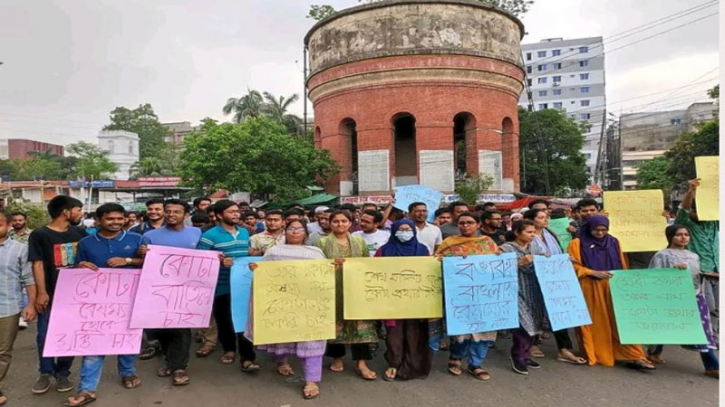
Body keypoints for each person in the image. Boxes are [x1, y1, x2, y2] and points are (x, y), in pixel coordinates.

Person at [65, 203, 144, 407]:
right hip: (96, 304)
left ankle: (128, 373)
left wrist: (128, 260)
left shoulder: (138, 239)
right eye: (110, 219)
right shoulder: (85, 242)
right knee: (93, 344)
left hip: (130, 299)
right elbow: (77, 269)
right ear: (99, 220)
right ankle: (87, 388)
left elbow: (149, 264)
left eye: (120, 218)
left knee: (126, 339)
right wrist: (80, 265)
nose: (116, 222)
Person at [247, 220, 328, 399]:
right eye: (291, 228)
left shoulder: (316, 252)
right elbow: (264, 275)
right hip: (282, 303)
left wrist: (333, 269)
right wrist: (256, 269)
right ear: (285, 231)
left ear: (306, 233)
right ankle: (282, 361)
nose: (295, 232)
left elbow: (324, 277)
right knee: (282, 332)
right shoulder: (274, 251)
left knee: (312, 339)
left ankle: (311, 380)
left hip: (310, 305)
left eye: (299, 229)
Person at [568, 215, 655, 369]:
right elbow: (570, 266)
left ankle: (635, 356)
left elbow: (622, 263)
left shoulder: (614, 241)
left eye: (604, 230)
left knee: (622, 321)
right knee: (597, 323)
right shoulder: (577, 243)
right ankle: (599, 353)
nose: (600, 233)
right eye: (596, 230)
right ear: (589, 228)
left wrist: (626, 283)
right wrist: (591, 272)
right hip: (590, 287)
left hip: (615, 286)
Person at [139, 199, 202, 386]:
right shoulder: (150, 236)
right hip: (159, 290)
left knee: (182, 328)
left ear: (185, 215)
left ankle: (179, 366)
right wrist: (141, 255)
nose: (171, 215)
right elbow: (142, 263)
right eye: (168, 211)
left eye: (176, 212)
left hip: (187, 289)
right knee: (163, 328)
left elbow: (205, 257)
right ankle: (169, 359)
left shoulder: (196, 233)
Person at [28, 196, 87, 394]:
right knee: (44, 335)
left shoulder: (80, 232)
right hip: (51, 295)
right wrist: (41, 292)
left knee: (69, 335)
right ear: (66, 211)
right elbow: (37, 263)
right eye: (78, 209)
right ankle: (45, 372)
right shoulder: (40, 234)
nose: (81, 213)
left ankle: (63, 373)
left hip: (75, 297)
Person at [647, 224, 718, 378]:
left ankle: (712, 366)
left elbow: (695, 276)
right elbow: (653, 276)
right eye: (679, 234)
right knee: (664, 326)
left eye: (686, 234)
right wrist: (671, 270)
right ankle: (653, 352)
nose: (683, 237)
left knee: (702, 331)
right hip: (670, 298)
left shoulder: (694, 256)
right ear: (670, 237)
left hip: (694, 296)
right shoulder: (662, 255)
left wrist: (708, 275)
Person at [435, 212, 498, 381]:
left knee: (483, 328)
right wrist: (450, 258)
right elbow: (436, 260)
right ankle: (455, 357)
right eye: (462, 223)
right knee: (461, 327)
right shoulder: (449, 243)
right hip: (459, 293)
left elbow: (498, 264)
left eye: (470, 222)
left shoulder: (488, 243)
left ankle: (475, 364)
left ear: (478, 225)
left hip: (484, 294)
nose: (465, 226)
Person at [196, 200, 258, 372]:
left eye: (237, 211)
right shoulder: (209, 235)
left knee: (245, 320)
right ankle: (229, 349)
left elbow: (246, 253)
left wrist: (253, 256)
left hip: (243, 284)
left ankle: (248, 357)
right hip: (220, 285)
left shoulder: (245, 232)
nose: (236, 214)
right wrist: (219, 261)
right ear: (219, 215)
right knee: (224, 321)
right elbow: (200, 260)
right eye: (231, 212)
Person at [316, 210, 378, 380]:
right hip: (332, 289)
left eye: (344, 221)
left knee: (361, 323)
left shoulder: (359, 242)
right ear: (330, 223)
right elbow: (315, 266)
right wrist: (329, 265)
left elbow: (366, 264)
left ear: (350, 223)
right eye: (336, 221)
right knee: (335, 323)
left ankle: (362, 363)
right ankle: (337, 357)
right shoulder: (322, 243)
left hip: (356, 288)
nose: (340, 224)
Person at [524, 209, 586, 365]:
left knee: (559, 312)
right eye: (541, 217)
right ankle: (531, 345)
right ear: (531, 220)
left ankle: (564, 349)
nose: (546, 220)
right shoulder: (526, 237)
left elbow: (556, 253)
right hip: (532, 280)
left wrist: (565, 259)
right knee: (533, 313)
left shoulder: (549, 234)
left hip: (555, 279)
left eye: (547, 217)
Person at [375, 219, 431, 381]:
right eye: (401, 229)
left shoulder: (422, 250)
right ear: (394, 231)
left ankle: (414, 364)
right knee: (394, 334)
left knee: (415, 334)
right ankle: (394, 363)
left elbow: (429, 272)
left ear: (414, 231)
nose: (405, 233)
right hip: (392, 300)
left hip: (417, 299)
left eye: (408, 230)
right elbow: (374, 274)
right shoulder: (384, 251)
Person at [501, 220, 550, 375]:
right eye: (529, 232)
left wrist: (548, 258)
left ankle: (525, 354)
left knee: (535, 326)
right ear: (517, 232)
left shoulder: (534, 247)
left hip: (534, 292)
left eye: (533, 232)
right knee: (524, 327)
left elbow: (543, 262)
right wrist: (519, 263)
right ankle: (518, 357)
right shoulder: (505, 249)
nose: (533, 235)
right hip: (516, 292)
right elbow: (499, 270)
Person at [0, 210, 37, 407]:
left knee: (3, 352)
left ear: (8, 226)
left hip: (7, 308)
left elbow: (28, 279)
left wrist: (30, 304)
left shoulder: (19, 249)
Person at [675, 178, 719, 343]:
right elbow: (684, 209)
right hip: (700, 273)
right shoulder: (686, 224)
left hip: (717, 271)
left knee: (717, 308)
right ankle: (704, 337)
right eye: (698, 210)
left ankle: (714, 337)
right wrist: (691, 191)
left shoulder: (714, 223)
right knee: (708, 307)